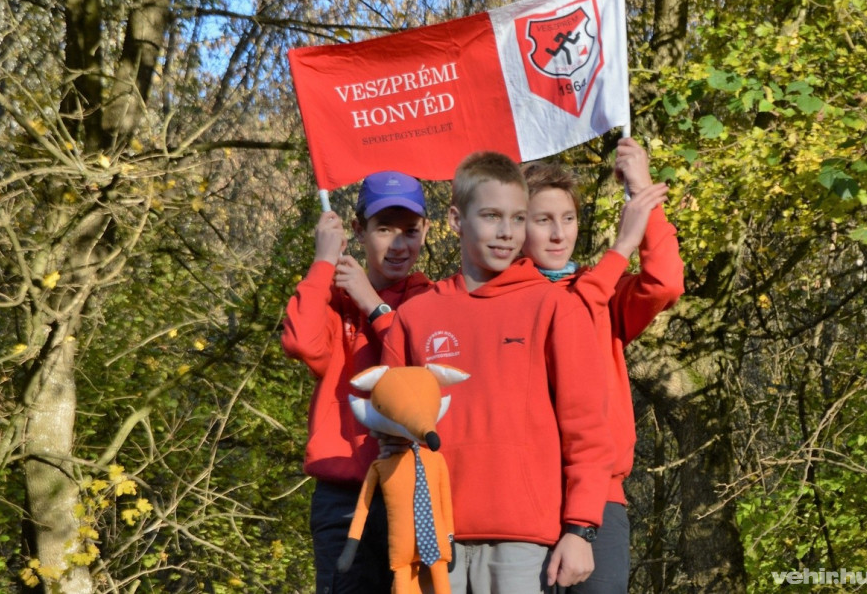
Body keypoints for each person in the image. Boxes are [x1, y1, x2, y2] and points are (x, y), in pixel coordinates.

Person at [380, 151, 614, 593]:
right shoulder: (414, 316)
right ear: (455, 219)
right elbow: (392, 437)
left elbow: (587, 428)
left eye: (518, 218)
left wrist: (580, 528)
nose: (507, 233)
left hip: (524, 539)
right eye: (491, 216)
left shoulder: (555, 307)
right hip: (433, 539)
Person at [521, 137, 685, 593]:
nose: (558, 234)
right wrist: (621, 247)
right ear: (518, 226)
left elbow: (664, 283)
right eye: (543, 221)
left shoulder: (605, 293)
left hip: (602, 499)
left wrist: (642, 194)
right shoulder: (505, 300)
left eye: (568, 219)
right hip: (525, 496)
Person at [281, 171, 432, 594]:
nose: (399, 244)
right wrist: (323, 262)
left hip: (411, 486)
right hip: (344, 495)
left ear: (426, 233)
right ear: (358, 231)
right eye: (384, 229)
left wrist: (374, 304)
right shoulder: (335, 300)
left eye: (410, 231)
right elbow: (299, 342)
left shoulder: (431, 300)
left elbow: (418, 373)